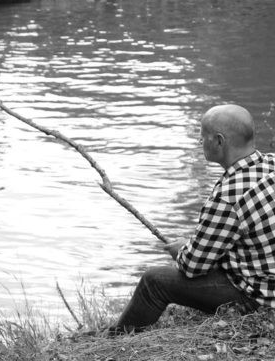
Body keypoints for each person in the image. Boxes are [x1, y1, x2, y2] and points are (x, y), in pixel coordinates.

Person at [112, 103, 275, 333]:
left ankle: (117, 341)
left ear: (219, 141)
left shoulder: (228, 197)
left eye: (202, 137)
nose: (200, 143)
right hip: (266, 272)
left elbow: (192, 267)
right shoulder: (270, 164)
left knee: (154, 281)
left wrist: (181, 250)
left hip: (258, 297)